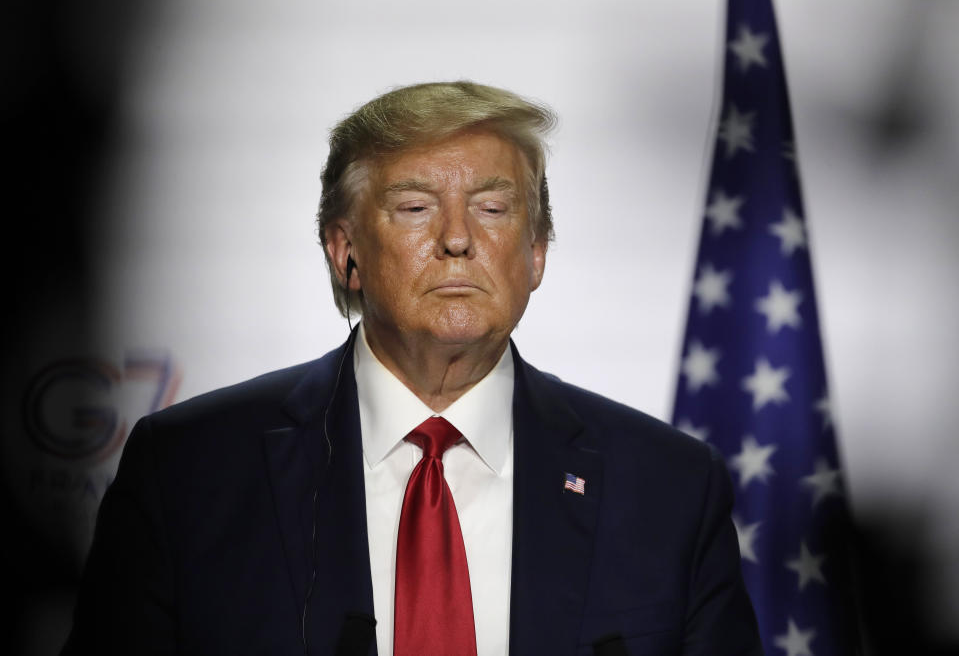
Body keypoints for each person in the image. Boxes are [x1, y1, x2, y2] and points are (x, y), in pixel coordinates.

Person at [63, 81, 761, 655]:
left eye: (492, 208)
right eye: (415, 208)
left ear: (536, 253)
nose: (457, 238)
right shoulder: (189, 471)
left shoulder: (667, 487)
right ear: (345, 252)